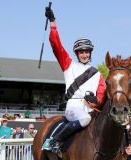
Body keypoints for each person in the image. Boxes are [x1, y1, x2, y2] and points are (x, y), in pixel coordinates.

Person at [42, 6, 106, 152]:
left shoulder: (98, 74)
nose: (84, 55)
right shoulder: (68, 65)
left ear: (90, 54)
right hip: (73, 108)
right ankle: (54, 141)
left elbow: (101, 97)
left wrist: (96, 100)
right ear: (77, 54)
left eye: (87, 52)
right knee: (85, 120)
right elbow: (56, 46)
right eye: (81, 52)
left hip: (91, 109)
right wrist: (53, 23)